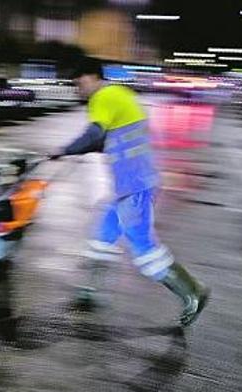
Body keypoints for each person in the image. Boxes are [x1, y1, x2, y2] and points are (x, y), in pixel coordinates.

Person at [52, 57, 209, 326]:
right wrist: (76, 151)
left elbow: (93, 135)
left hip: (135, 186)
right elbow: (105, 141)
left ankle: (193, 291)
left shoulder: (103, 96)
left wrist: (64, 150)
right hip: (127, 185)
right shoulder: (120, 95)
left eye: (79, 84)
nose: (78, 90)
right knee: (101, 237)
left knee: (144, 249)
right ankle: (89, 292)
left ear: (90, 77)